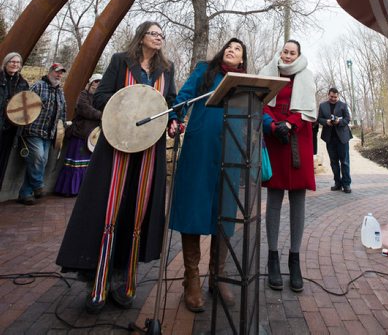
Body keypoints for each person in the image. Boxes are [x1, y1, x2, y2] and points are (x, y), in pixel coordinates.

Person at [56, 21, 176, 313]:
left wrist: (174, 119)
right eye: (153, 33)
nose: (158, 38)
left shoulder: (167, 69)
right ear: (142, 37)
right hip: (118, 145)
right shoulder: (120, 61)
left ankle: (125, 280)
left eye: (161, 35)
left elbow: (170, 102)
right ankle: (97, 282)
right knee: (109, 209)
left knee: (137, 210)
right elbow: (101, 96)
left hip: (148, 149)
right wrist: (132, 103)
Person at [167, 38, 247, 313]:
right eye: (229, 46)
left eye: (238, 49)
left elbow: (259, 111)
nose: (232, 50)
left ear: (243, 60)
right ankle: (191, 279)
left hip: (231, 151)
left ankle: (217, 275)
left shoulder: (245, 81)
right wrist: (174, 118)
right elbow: (184, 97)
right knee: (193, 208)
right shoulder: (205, 70)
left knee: (223, 211)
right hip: (200, 148)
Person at [259, 39, 316, 293]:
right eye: (285, 51)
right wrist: (272, 125)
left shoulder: (306, 76)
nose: (288, 55)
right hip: (274, 136)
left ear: (299, 55)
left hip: (297, 136)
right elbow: (260, 102)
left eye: (293, 52)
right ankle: (272, 258)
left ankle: (294, 260)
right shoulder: (268, 71)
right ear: (280, 52)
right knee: (273, 196)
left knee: (298, 199)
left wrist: (290, 124)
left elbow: (308, 109)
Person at [18, 62, 67, 205]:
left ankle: (25, 193)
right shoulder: (38, 86)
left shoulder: (60, 91)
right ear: (50, 71)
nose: (59, 75)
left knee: (40, 162)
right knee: (38, 158)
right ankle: (38, 185)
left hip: (49, 133)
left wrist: (62, 127)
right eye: (57, 72)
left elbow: (63, 111)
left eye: (61, 73)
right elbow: (24, 103)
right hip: (33, 130)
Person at [54, 73, 103, 197]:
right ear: (91, 83)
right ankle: (68, 189)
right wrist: (101, 115)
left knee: (87, 164)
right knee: (74, 163)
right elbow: (84, 109)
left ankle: (81, 190)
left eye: (100, 82)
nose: (97, 84)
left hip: (94, 136)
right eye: (95, 82)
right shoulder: (83, 95)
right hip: (80, 133)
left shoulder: (101, 98)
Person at [0, 52, 29, 190]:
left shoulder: (23, 83)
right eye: (12, 61)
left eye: (18, 62)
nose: (15, 64)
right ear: (6, 63)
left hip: (10, 130)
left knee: (2, 164)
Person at [318, 87, 352, 193]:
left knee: (345, 162)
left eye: (335, 97)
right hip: (330, 138)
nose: (333, 98)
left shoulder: (343, 105)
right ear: (328, 95)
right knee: (333, 162)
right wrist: (326, 122)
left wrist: (339, 122)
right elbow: (319, 119)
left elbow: (347, 118)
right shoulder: (322, 106)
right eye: (331, 96)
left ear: (338, 96)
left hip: (342, 138)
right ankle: (337, 183)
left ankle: (346, 184)